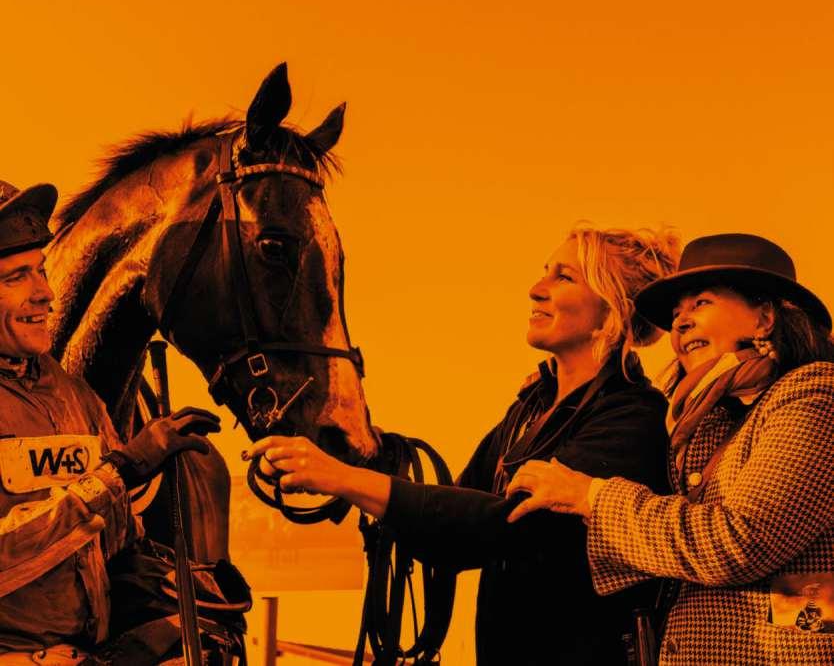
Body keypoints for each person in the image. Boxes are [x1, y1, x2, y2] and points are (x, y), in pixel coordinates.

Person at [245, 225, 681, 664]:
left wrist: (343, 478)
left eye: (564, 277)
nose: (536, 289)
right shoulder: (531, 409)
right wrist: (350, 454)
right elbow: (450, 520)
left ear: (613, 312)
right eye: (545, 271)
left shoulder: (634, 418)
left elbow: (500, 528)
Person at [505, 233, 834, 665]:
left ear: (764, 318)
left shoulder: (814, 395)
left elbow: (738, 542)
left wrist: (593, 497)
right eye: (676, 314)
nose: (680, 324)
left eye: (701, 303)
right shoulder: (698, 420)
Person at [0, 180, 221, 664]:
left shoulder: (72, 394)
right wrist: (119, 471)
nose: (46, 293)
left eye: (41, 271)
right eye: (16, 277)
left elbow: (108, 539)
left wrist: (169, 587)